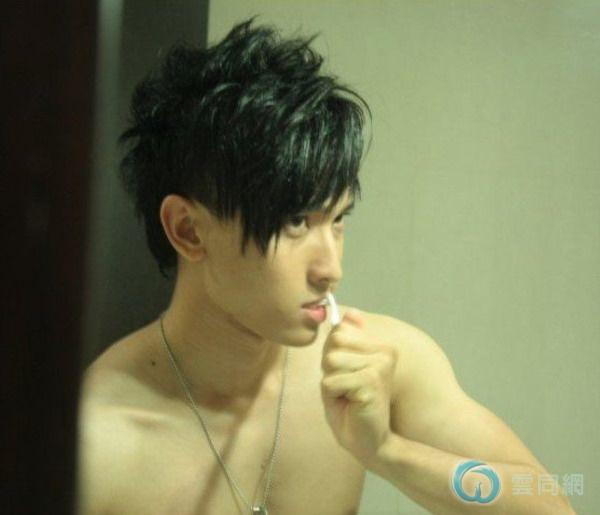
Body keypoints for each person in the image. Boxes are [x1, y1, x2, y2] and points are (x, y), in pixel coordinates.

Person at [77, 18, 575, 515]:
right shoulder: (99, 444)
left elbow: (551, 506)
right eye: (295, 222)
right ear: (188, 230)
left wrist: (387, 453)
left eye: (338, 220)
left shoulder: (380, 366)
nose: (330, 269)